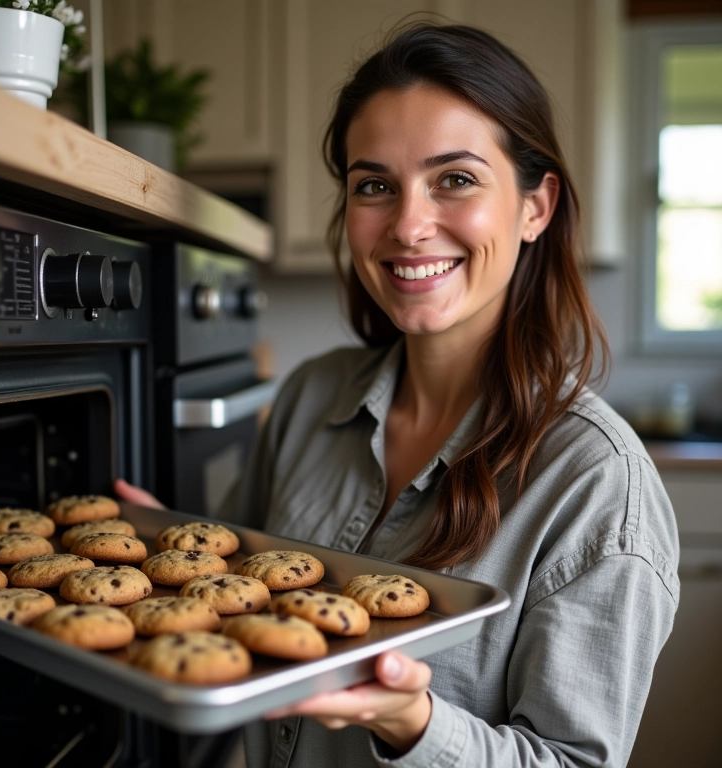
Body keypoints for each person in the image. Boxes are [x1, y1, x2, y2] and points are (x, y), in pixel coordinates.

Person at [116, 21, 679, 768]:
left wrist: (411, 721)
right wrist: (171, 558)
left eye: (455, 179)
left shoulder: (597, 484)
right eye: (375, 185)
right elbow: (243, 607)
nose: (410, 226)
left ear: (536, 207)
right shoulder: (312, 397)